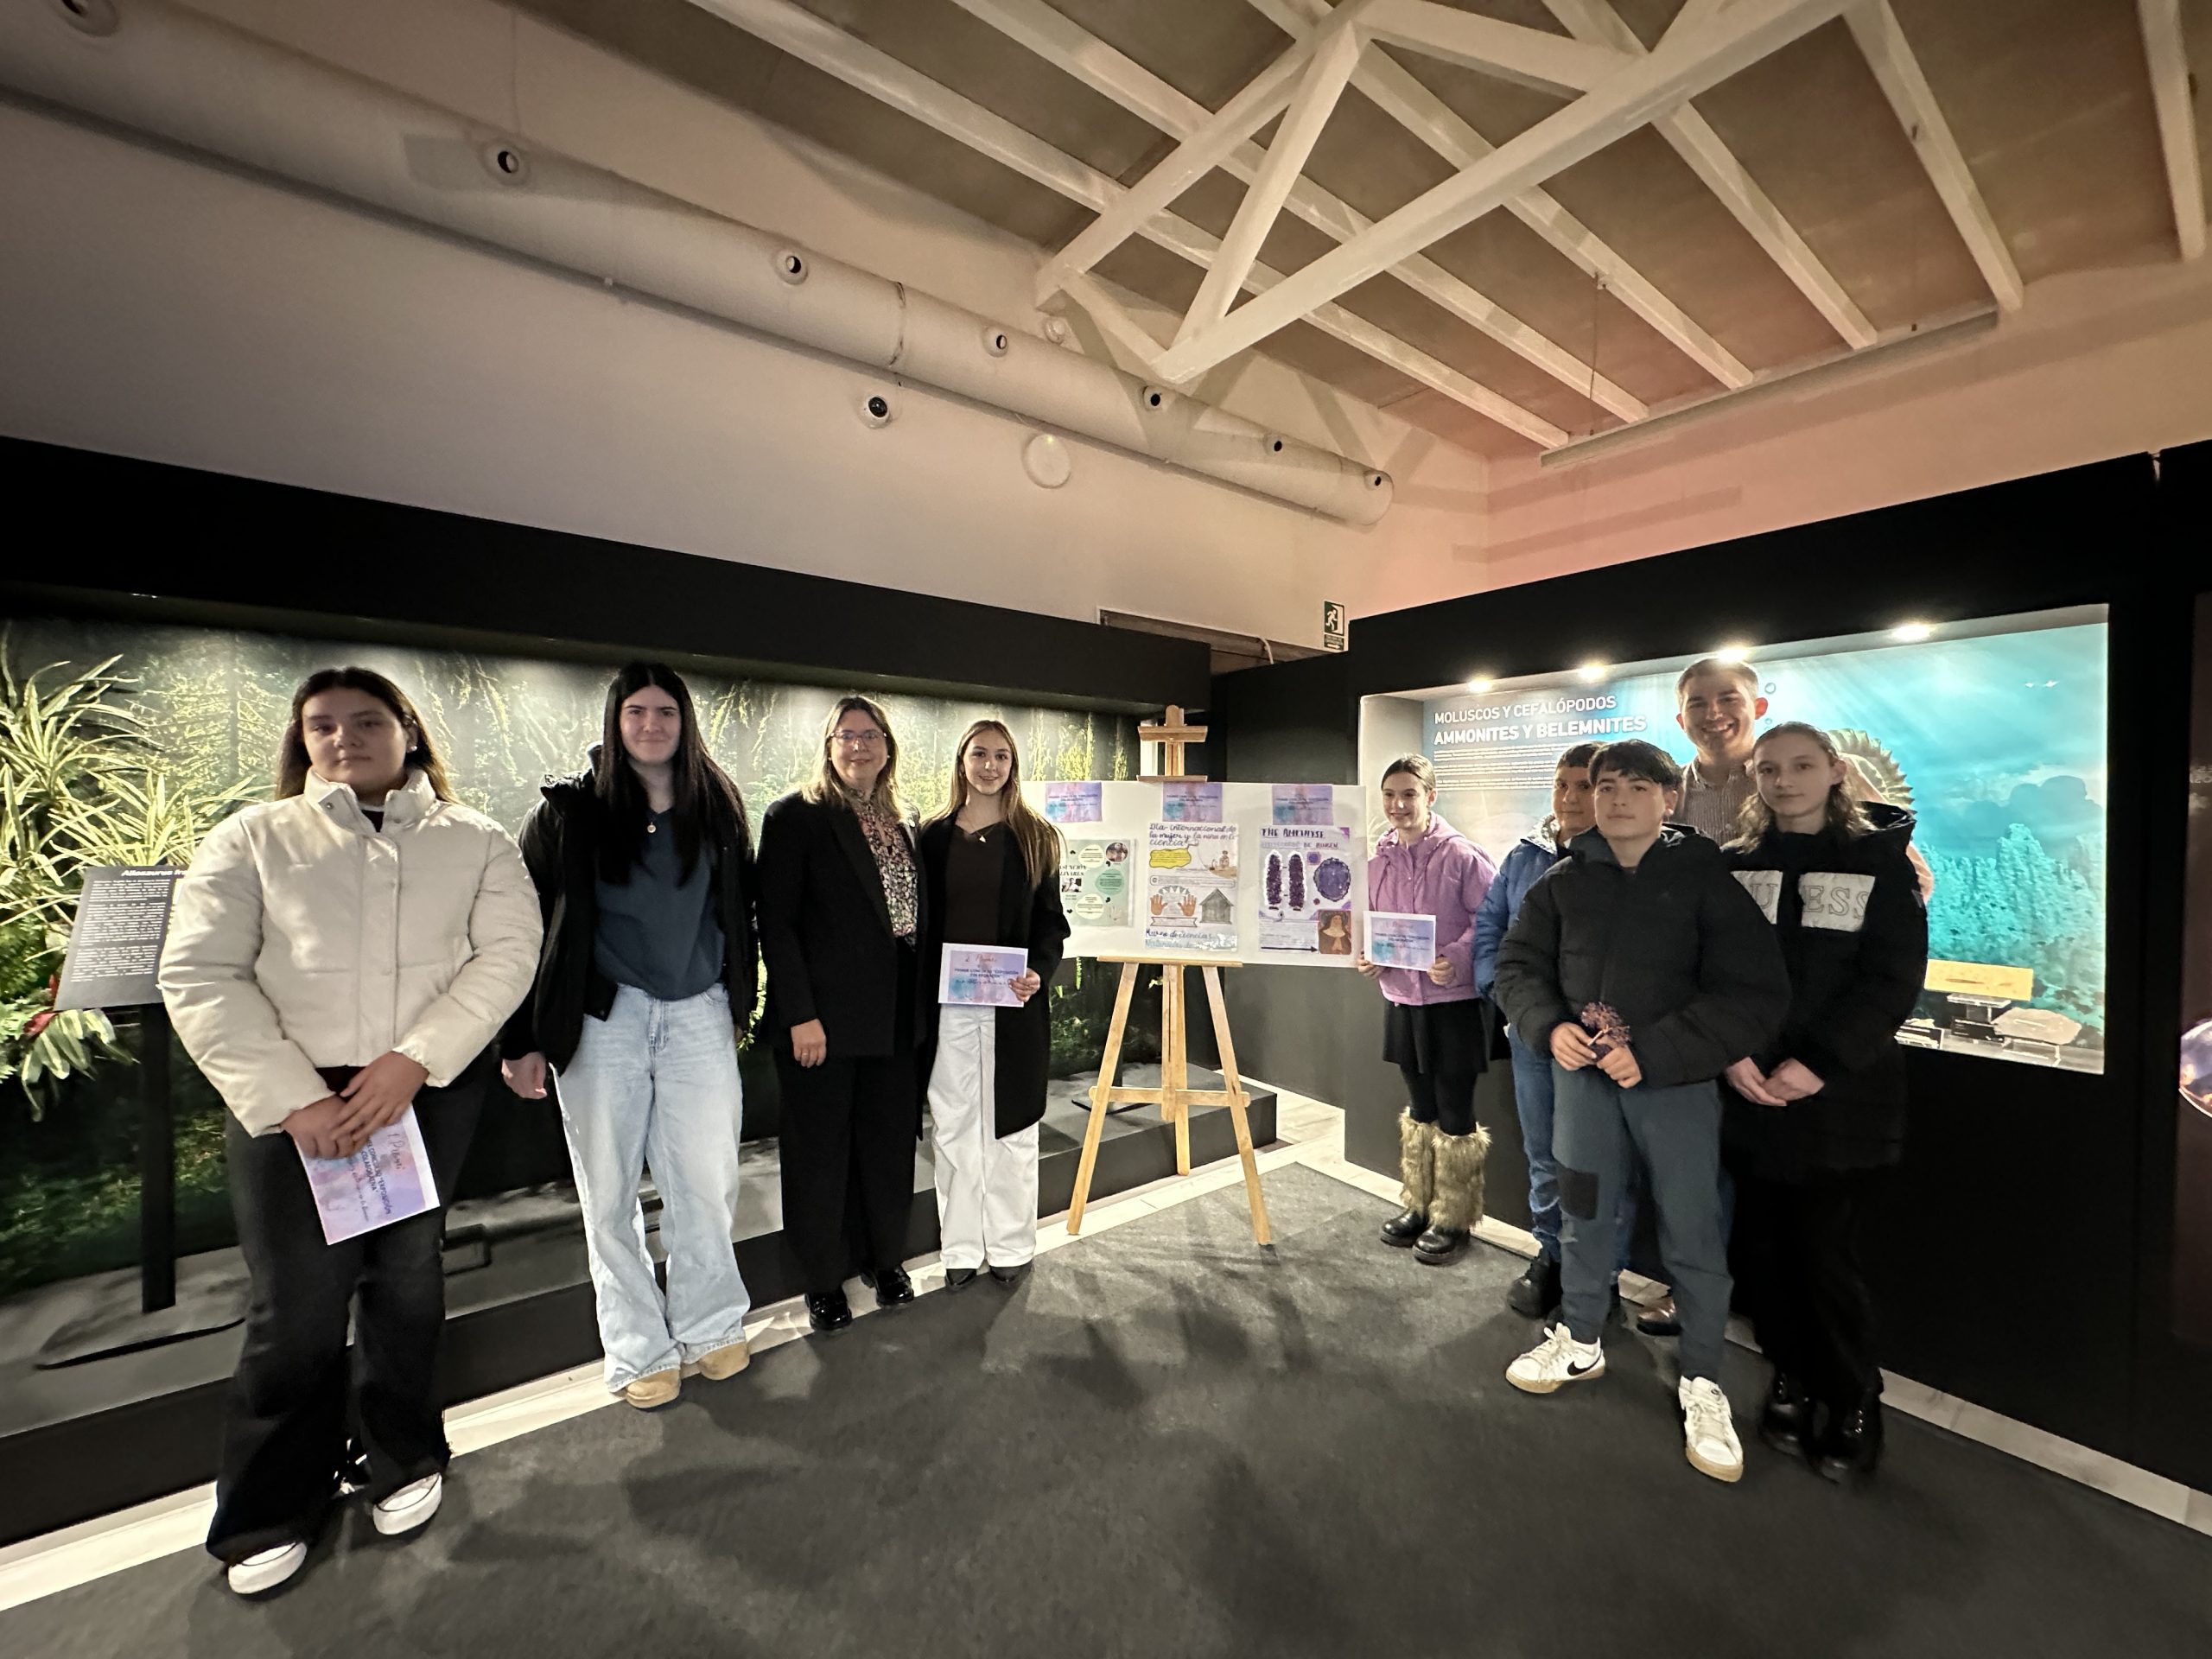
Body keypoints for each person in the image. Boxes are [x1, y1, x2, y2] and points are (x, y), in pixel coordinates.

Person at [159, 668, 540, 1596]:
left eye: (366, 721)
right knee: (294, 1301)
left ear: (407, 730)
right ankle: (268, 1502)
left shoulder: (475, 839)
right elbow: (201, 973)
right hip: (292, 1100)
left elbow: (508, 954)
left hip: (423, 1090)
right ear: (301, 739)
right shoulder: (253, 837)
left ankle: (400, 1453)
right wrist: (296, 1098)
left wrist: (416, 1059)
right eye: (322, 725)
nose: (344, 739)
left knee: (406, 1278)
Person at [1491, 739, 1786, 1484]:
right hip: (1583, 1087)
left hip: (1674, 1088)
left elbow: (1751, 993)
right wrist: (1548, 1026)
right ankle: (1581, 1337)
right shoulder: (1562, 882)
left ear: (1668, 799)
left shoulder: (1707, 882)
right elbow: (1517, 966)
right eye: (1606, 787)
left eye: (1636, 787)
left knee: (1691, 1227)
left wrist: (1652, 1052)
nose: (1617, 799)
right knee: (1584, 1211)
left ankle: (1704, 1379)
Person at [499, 664, 758, 1411]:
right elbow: (526, 927)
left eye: (665, 711)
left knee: (705, 1182)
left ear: (685, 721)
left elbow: (736, 910)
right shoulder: (569, 812)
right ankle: (639, 1347)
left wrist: (740, 997)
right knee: (608, 1191)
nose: (651, 725)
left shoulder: (717, 803)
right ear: (615, 721)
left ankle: (711, 1324)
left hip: (699, 1010)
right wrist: (523, 1038)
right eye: (636, 712)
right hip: (603, 1018)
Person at [1722, 722, 1927, 1482]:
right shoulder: (1736, 864)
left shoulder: (1880, 863)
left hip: (1841, 1102)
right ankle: (1788, 1371)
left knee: (1824, 1255)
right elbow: (1713, 969)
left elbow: (1892, 980)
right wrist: (1732, 1053)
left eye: (1802, 765)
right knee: (1762, 1251)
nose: (1784, 780)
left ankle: (1851, 1397)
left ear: (1836, 771)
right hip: (1749, 1093)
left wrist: (1819, 1064)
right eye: (1769, 768)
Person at [756, 696, 927, 1333]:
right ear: (829, 746)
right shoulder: (795, 816)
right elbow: (776, 921)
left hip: (895, 1016)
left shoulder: (904, 818)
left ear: (888, 747)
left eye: (871, 735)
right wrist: (800, 1014)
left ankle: (885, 1260)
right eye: (847, 735)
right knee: (819, 1154)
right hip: (822, 1023)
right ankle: (823, 1280)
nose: (860, 746)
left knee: (887, 1147)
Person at [1476, 742, 1637, 1319]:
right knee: (1544, 1156)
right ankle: (1551, 1255)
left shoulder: (1632, 861)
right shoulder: (1524, 857)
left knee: (1604, 1165)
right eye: (1561, 784)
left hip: (1601, 1047)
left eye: (1584, 786)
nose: (1570, 797)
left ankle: (1602, 1273)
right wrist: (1511, 1004)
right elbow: (1491, 931)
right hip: (1534, 1040)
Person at [916, 720, 1069, 1289]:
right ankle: (959, 1248)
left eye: (1001, 756)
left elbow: (1052, 924)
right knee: (954, 1128)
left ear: (1013, 764)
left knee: (1013, 1128)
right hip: (947, 1006)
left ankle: (1010, 1244)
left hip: (1013, 1005)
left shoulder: (1036, 837)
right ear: (962, 761)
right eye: (979, 754)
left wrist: (1037, 972)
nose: (990, 765)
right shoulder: (931, 837)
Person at [1357, 754, 1498, 1265]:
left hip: (1453, 1004)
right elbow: (1367, 921)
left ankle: (1453, 1218)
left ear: (1430, 796)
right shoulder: (1377, 859)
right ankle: (1419, 1205)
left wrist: (1456, 959)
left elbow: (1493, 919)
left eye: (1409, 794)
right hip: (1402, 999)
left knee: (1454, 1110)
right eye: (1390, 795)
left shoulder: (1462, 855)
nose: (1398, 805)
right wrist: (1367, 955)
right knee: (1420, 1109)